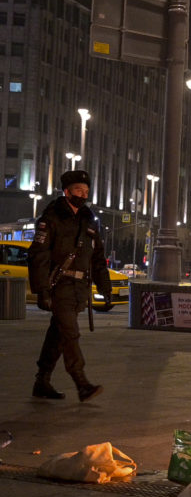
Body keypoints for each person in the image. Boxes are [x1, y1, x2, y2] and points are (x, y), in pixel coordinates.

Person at [28, 170, 111, 402]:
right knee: (71, 333)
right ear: (67, 191)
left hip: (79, 288)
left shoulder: (89, 220)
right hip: (60, 285)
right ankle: (81, 382)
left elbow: (98, 258)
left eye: (85, 191)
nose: (82, 195)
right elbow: (39, 256)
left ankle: (41, 381)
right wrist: (42, 290)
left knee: (58, 334)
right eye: (78, 190)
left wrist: (105, 287)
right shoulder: (51, 218)